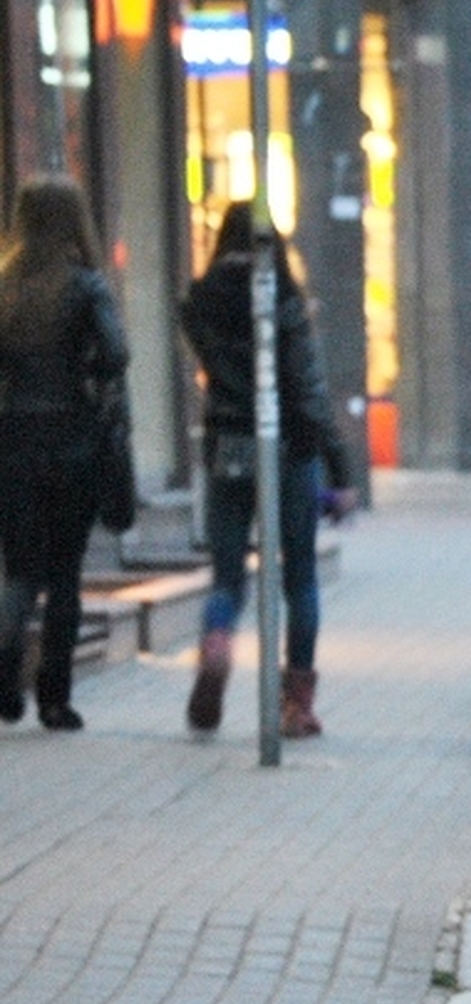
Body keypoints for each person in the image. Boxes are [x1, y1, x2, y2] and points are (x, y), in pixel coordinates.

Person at [179, 202, 349, 739]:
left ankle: (217, 640)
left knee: (228, 573)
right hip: (288, 451)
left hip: (228, 444)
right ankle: (296, 705)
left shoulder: (201, 300)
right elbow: (308, 387)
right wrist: (340, 464)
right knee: (299, 576)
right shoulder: (281, 296)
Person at [0, 177, 131, 733]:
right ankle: (54, 697)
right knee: (65, 574)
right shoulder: (85, 285)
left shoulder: (4, 286)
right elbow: (117, 353)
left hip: (12, 442)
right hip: (73, 443)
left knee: (18, 571)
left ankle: (5, 684)